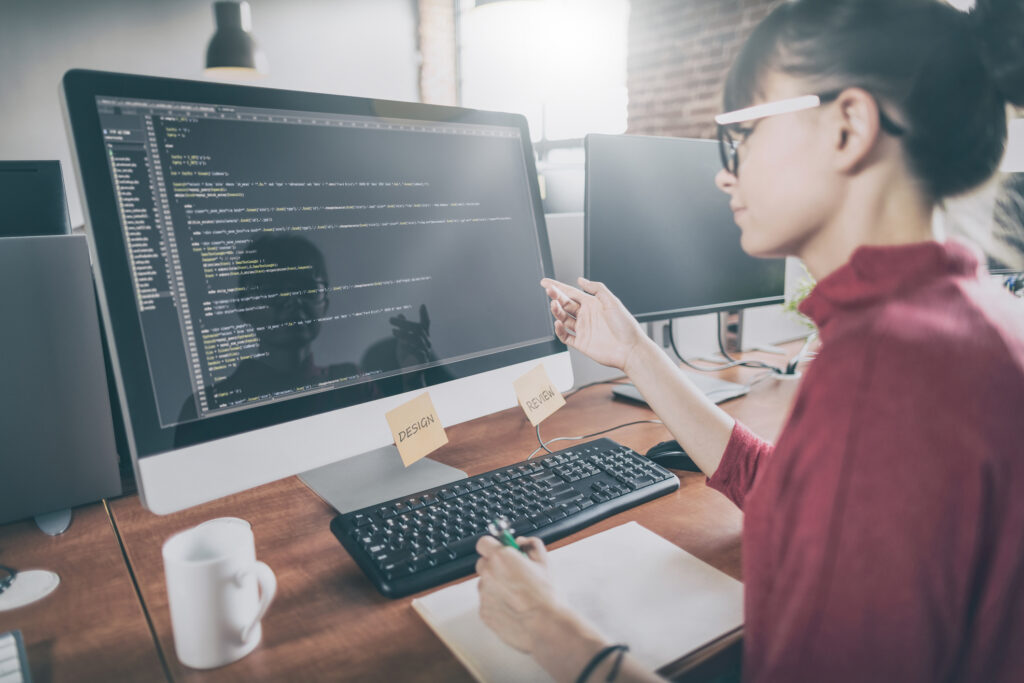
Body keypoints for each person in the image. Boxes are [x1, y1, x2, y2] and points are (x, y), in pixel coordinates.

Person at [474, 0, 1024, 681]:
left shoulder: (887, 378)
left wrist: (549, 629)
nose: (723, 173)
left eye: (742, 134)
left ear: (848, 127)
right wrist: (639, 354)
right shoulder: (966, 323)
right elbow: (801, 504)